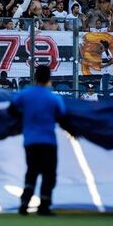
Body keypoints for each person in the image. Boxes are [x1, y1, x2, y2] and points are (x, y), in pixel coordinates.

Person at [11, 65, 66, 216]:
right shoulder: (53, 98)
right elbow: (62, 117)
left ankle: (24, 203)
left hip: (30, 140)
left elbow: (11, 109)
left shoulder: (25, 94)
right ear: (49, 79)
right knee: (49, 173)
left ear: (35, 77)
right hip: (48, 140)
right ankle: (44, 206)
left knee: (32, 171)